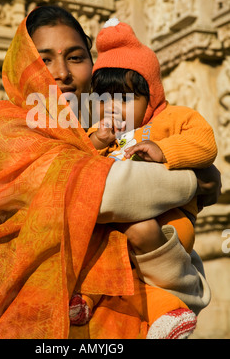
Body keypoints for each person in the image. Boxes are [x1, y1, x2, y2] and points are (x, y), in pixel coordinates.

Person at [0, 5, 220, 339]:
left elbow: (186, 280)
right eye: (44, 59)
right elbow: (104, 192)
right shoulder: (5, 128)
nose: (61, 72)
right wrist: (198, 180)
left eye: (76, 57)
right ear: (22, 67)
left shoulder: (98, 132)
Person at [86, 17, 217, 337]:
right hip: (117, 236)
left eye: (126, 98)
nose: (113, 108)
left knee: (139, 229)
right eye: (104, 99)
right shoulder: (104, 133)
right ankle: (90, 299)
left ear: (153, 96)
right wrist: (97, 143)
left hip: (168, 226)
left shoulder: (174, 118)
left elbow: (205, 143)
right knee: (100, 251)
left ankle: (168, 305)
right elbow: (81, 167)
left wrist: (165, 150)